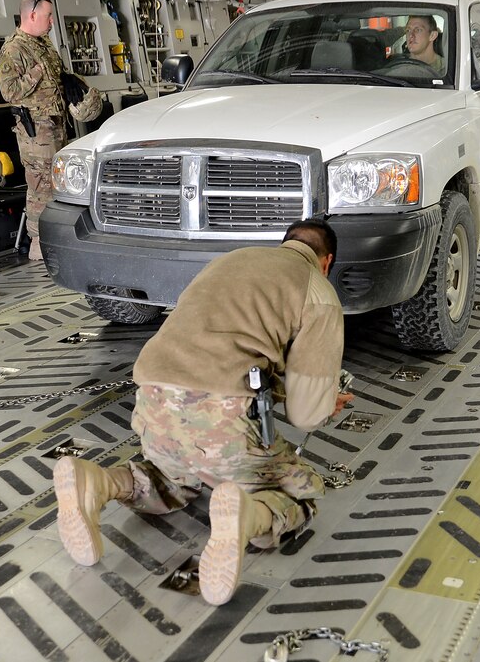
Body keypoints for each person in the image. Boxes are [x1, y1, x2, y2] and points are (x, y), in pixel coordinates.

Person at [52, 218, 352, 606]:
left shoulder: (228, 261)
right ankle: (246, 516)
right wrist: (326, 400)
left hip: (152, 400)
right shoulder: (319, 292)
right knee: (301, 491)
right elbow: (307, 415)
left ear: (286, 243)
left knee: (170, 481)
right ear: (325, 262)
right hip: (223, 421)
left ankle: (98, 482)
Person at [0, 0, 101, 261]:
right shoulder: (14, 48)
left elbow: (57, 77)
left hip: (57, 125)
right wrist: (36, 73)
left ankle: (60, 238)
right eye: (48, 15)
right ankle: (37, 243)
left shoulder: (43, 44)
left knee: (61, 181)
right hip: (36, 132)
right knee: (40, 186)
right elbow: (9, 91)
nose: (52, 21)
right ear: (32, 16)